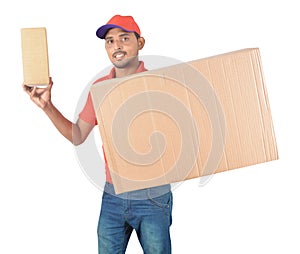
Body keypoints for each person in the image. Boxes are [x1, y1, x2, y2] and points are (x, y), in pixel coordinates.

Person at [23, 15, 173, 254]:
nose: (117, 46)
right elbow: (78, 135)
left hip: (152, 196)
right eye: (110, 41)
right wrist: (46, 106)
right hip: (113, 196)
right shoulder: (100, 89)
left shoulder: (158, 85)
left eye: (124, 38)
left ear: (140, 43)